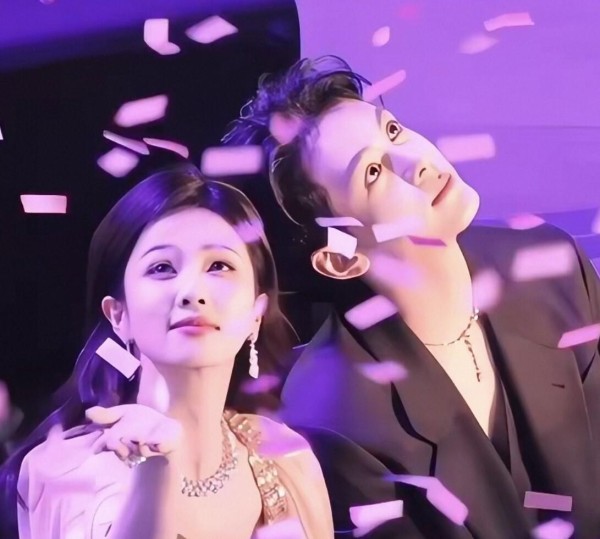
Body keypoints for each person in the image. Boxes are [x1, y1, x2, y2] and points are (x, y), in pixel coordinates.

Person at [224, 56, 600, 538]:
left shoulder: (549, 264)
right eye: (373, 172)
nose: (418, 162)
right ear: (341, 259)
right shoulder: (334, 412)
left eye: (394, 131)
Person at [0, 165, 333, 539]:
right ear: (118, 315)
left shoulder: (286, 456)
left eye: (219, 266)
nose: (192, 292)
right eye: (161, 268)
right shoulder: (64, 471)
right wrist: (155, 471)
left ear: (256, 314)